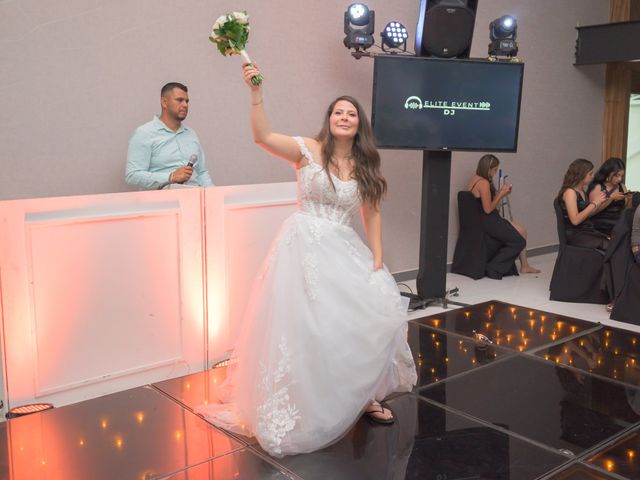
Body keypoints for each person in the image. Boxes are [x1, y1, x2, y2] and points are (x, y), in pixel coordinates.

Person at [195, 63, 417, 457]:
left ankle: (360, 396)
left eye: (351, 113)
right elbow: (261, 136)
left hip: (344, 249)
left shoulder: (365, 165)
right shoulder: (307, 150)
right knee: (306, 329)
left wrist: (379, 257)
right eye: (338, 112)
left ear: (358, 123)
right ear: (329, 120)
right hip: (303, 249)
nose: (344, 118)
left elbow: (373, 212)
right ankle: (307, 400)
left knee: (355, 323)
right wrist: (255, 92)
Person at [126, 82, 214, 189]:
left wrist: (214, 194)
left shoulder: (191, 134)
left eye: (187, 101)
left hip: (194, 198)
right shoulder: (144, 133)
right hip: (163, 201)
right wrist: (170, 176)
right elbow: (132, 175)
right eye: (179, 100)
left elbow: (201, 172)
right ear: (164, 102)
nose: (185, 105)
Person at [466, 154, 539, 279]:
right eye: (494, 170)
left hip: (484, 220)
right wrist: (501, 195)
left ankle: (525, 265)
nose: (495, 174)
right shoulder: (483, 183)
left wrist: (500, 193)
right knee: (520, 241)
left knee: (522, 230)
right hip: (489, 221)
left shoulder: (475, 179)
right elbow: (488, 209)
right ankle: (494, 267)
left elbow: (485, 204)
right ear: (488, 169)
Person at [557, 158, 609, 250]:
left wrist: (598, 203)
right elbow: (575, 221)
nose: (592, 176)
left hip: (586, 229)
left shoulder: (581, 190)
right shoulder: (570, 192)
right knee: (608, 245)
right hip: (575, 234)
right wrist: (593, 203)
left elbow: (587, 214)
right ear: (581, 175)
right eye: (590, 174)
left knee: (612, 241)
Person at [588, 157, 630, 236]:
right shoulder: (598, 187)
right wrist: (611, 198)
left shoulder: (622, 187)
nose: (620, 179)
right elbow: (591, 212)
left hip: (618, 222)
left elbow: (624, 208)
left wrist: (629, 199)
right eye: (617, 176)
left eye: (622, 176)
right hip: (601, 224)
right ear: (608, 172)